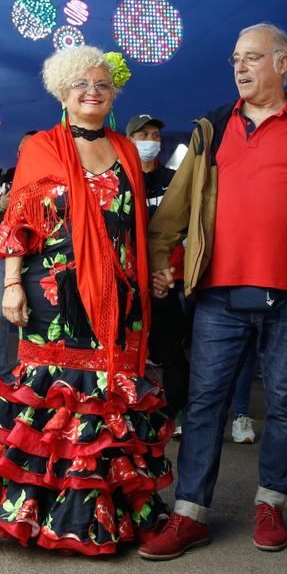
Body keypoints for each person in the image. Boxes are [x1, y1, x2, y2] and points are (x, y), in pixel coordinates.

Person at [141, 23, 287, 559]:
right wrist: (160, 260)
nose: (240, 68)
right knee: (204, 406)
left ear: (283, 63)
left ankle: (271, 503)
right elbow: (173, 211)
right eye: (235, 60)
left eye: (252, 58)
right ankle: (189, 513)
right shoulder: (213, 128)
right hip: (219, 297)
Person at [0, 45, 171, 555]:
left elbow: (135, 223)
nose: (92, 92)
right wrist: (11, 284)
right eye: (81, 84)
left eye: (102, 85)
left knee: (107, 389)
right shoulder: (41, 146)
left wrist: (154, 270)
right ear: (62, 92)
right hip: (54, 292)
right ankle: (44, 514)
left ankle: (103, 514)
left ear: (112, 94)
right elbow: (19, 221)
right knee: (57, 391)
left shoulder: (125, 150)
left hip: (117, 292)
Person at [127, 113, 192, 432]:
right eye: (142, 136)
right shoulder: (121, 179)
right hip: (130, 280)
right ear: (129, 141)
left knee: (171, 350)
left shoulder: (173, 179)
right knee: (129, 347)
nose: (150, 141)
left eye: (154, 135)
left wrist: (166, 270)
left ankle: (178, 411)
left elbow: (184, 227)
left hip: (168, 280)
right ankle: (130, 410)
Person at [0, 132, 36, 391]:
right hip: (2, 253)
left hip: (36, 256)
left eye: (32, 149)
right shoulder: (3, 176)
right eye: (21, 149)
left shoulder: (49, 175)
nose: (25, 153)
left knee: (32, 316)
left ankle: (30, 370)